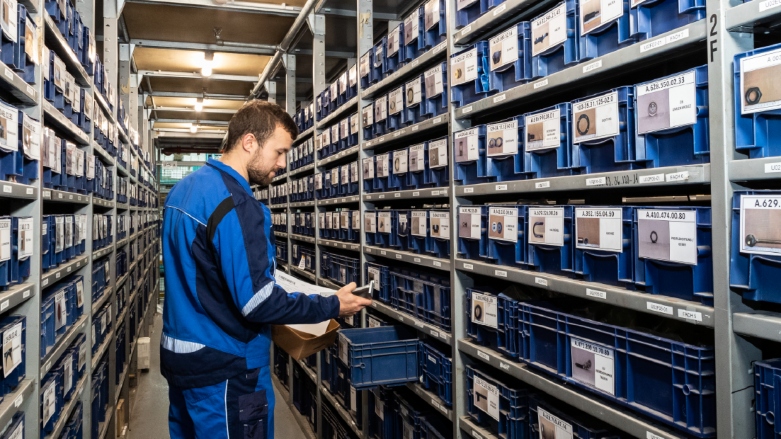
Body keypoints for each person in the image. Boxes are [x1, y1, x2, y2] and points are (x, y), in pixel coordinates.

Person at [160, 100, 372, 439]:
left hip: (182, 358)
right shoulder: (237, 205)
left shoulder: (185, 189)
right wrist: (333, 304)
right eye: (279, 151)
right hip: (226, 368)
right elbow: (257, 302)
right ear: (249, 142)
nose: (283, 163)